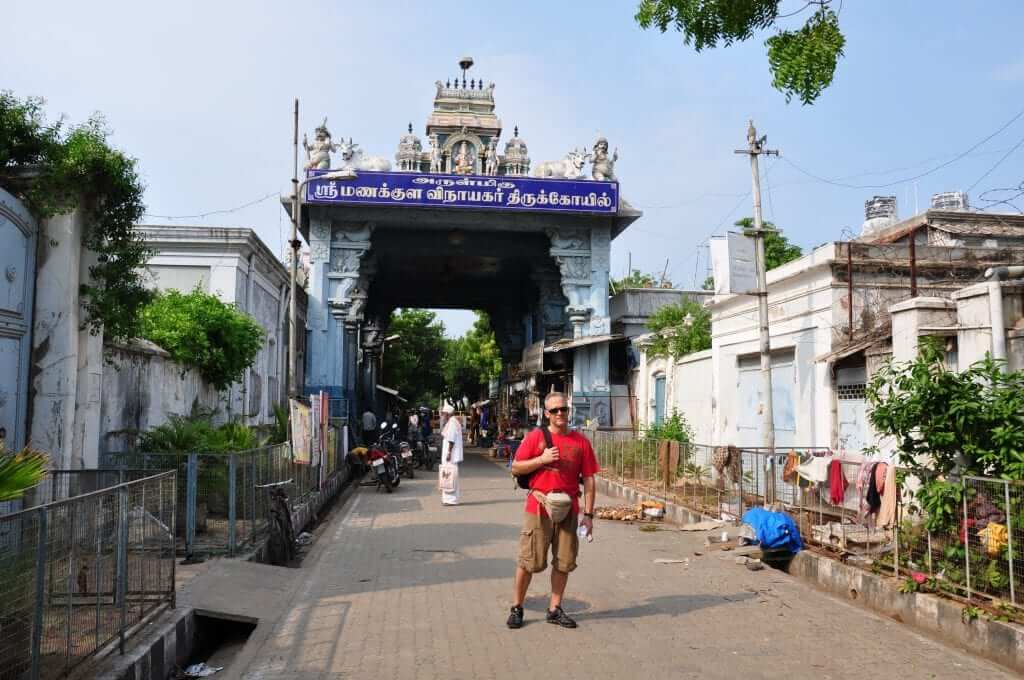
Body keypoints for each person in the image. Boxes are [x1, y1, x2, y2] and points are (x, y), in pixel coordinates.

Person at [506, 392, 598, 629]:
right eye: (554, 410)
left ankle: (555, 609)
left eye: (563, 409)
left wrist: (588, 515)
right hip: (538, 507)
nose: (560, 414)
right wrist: (541, 459)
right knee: (529, 561)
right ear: (546, 414)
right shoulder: (536, 437)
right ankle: (517, 607)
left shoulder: (580, 442)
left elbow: (589, 480)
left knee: (564, 562)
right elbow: (516, 466)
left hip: (568, 508)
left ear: (569, 411)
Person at [439, 404, 464, 505]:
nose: (443, 416)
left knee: (449, 476)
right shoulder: (453, 422)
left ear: (448, 414)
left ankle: (450, 500)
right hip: (451, 454)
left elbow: (451, 440)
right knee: (450, 475)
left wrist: (449, 453)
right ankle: (450, 499)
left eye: (444, 414)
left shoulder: (452, 423)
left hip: (451, 455)